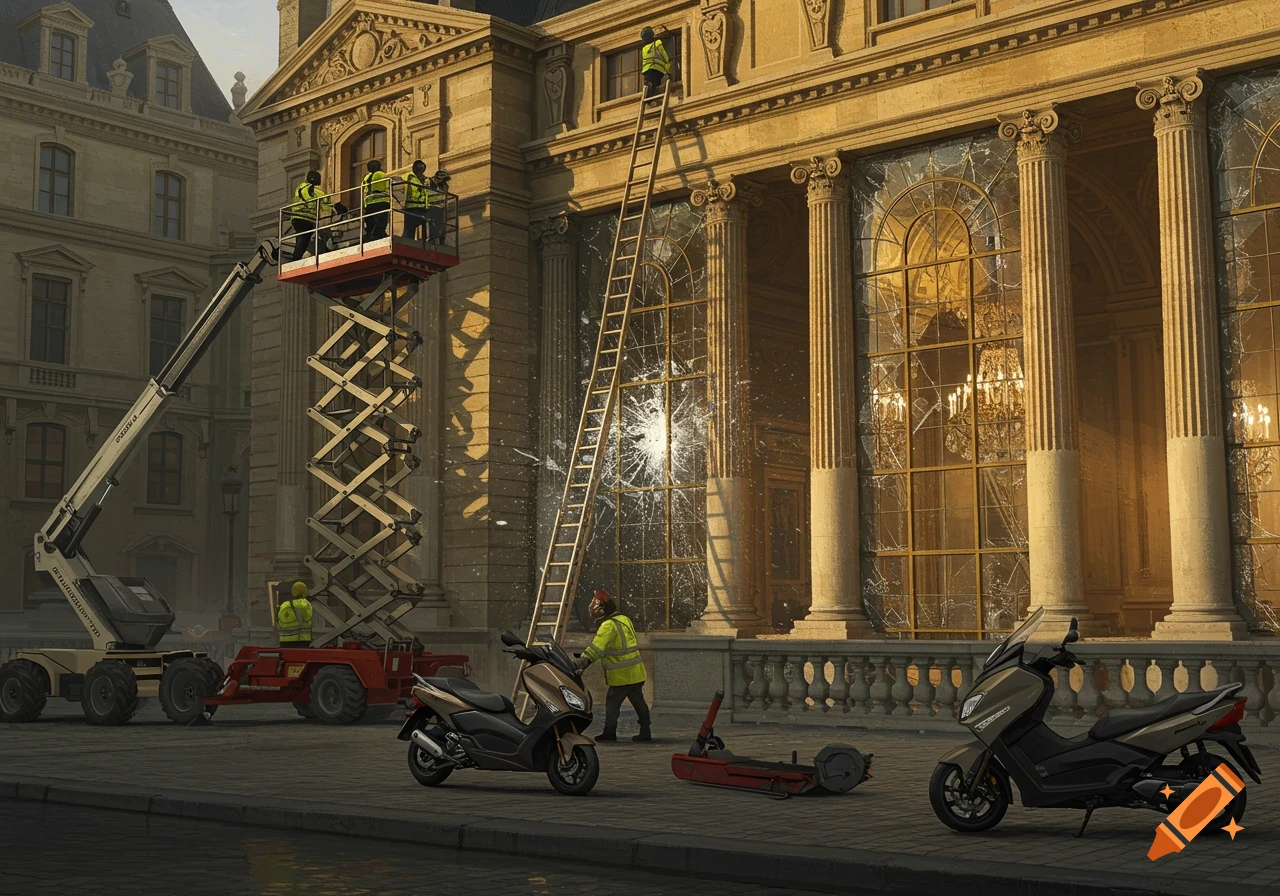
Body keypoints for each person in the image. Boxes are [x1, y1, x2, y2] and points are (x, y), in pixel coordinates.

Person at [576, 589, 651, 742]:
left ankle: (609, 733)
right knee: (639, 702)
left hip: (621, 675)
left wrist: (582, 662)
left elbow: (597, 648)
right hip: (636, 672)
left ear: (601, 606)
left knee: (612, 704)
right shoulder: (624, 619)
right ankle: (646, 731)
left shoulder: (608, 625)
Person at [288, 171, 346, 261]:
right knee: (304, 240)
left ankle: (298, 256)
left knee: (301, 238)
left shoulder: (300, 187)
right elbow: (327, 203)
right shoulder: (317, 192)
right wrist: (337, 207)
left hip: (296, 218)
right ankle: (297, 257)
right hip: (307, 218)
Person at [400, 160, 431, 242]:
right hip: (411, 206)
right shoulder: (408, 176)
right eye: (419, 169)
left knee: (425, 221)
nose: (421, 171)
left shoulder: (423, 179)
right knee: (409, 227)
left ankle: (424, 240)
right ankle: (407, 241)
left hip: (422, 206)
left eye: (422, 170)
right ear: (414, 168)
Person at [277, 581, 314, 648]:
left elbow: (278, 621)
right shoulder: (305, 604)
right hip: (300, 641)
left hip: (284, 642)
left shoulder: (284, 605)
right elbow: (308, 618)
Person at [361, 159, 391, 241]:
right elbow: (389, 185)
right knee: (381, 222)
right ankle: (380, 235)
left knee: (370, 223)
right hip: (381, 201)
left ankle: (369, 236)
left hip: (369, 203)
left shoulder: (366, 177)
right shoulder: (381, 174)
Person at [639, 27, 670, 98]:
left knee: (649, 83)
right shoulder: (657, 43)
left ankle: (648, 94)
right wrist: (667, 69)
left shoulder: (644, 48)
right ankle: (651, 93)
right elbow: (664, 55)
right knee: (655, 83)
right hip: (657, 69)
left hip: (646, 70)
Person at [425, 169, 450, 245]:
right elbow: (427, 192)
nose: (442, 181)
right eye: (440, 179)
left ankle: (441, 240)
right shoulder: (428, 182)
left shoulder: (444, 186)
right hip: (430, 207)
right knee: (431, 225)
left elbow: (444, 196)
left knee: (440, 225)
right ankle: (431, 240)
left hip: (440, 208)